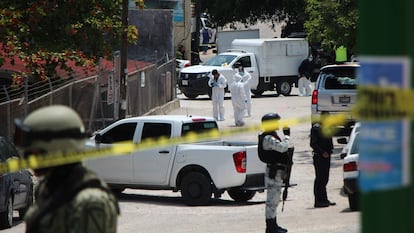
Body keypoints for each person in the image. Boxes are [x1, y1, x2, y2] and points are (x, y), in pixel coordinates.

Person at [14, 105, 119, 233]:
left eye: (33, 152)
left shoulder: (90, 203)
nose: (27, 158)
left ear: (56, 148)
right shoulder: (46, 187)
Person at [258, 113, 290, 233]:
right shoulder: (267, 138)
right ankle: (270, 227)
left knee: (275, 200)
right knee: (272, 201)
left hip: (277, 172)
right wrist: (287, 136)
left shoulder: (271, 136)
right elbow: (282, 148)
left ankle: (274, 224)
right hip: (273, 172)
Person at [310, 111, 335, 208]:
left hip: (327, 157)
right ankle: (318, 201)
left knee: (325, 178)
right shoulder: (316, 128)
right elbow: (313, 143)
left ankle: (324, 199)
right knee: (320, 179)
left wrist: (330, 151)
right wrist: (322, 152)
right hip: (319, 157)